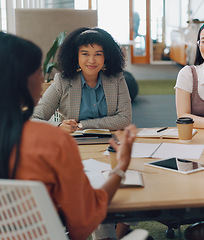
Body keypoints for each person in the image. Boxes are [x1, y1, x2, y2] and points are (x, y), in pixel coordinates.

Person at [0, 32, 136, 240]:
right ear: (21, 80)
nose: (43, 79)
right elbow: (85, 216)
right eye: (38, 72)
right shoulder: (54, 142)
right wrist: (120, 168)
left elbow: (124, 117)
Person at [32, 27, 132, 133]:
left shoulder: (117, 79)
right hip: (74, 143)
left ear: (106, 57)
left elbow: (124, 119)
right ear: (76, 56)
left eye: (98, 54)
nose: (92, 60)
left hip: (110, 142)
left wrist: (82, 125)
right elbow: (34, 118)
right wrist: (59, 126)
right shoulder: (62, 82)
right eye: (85, 54)